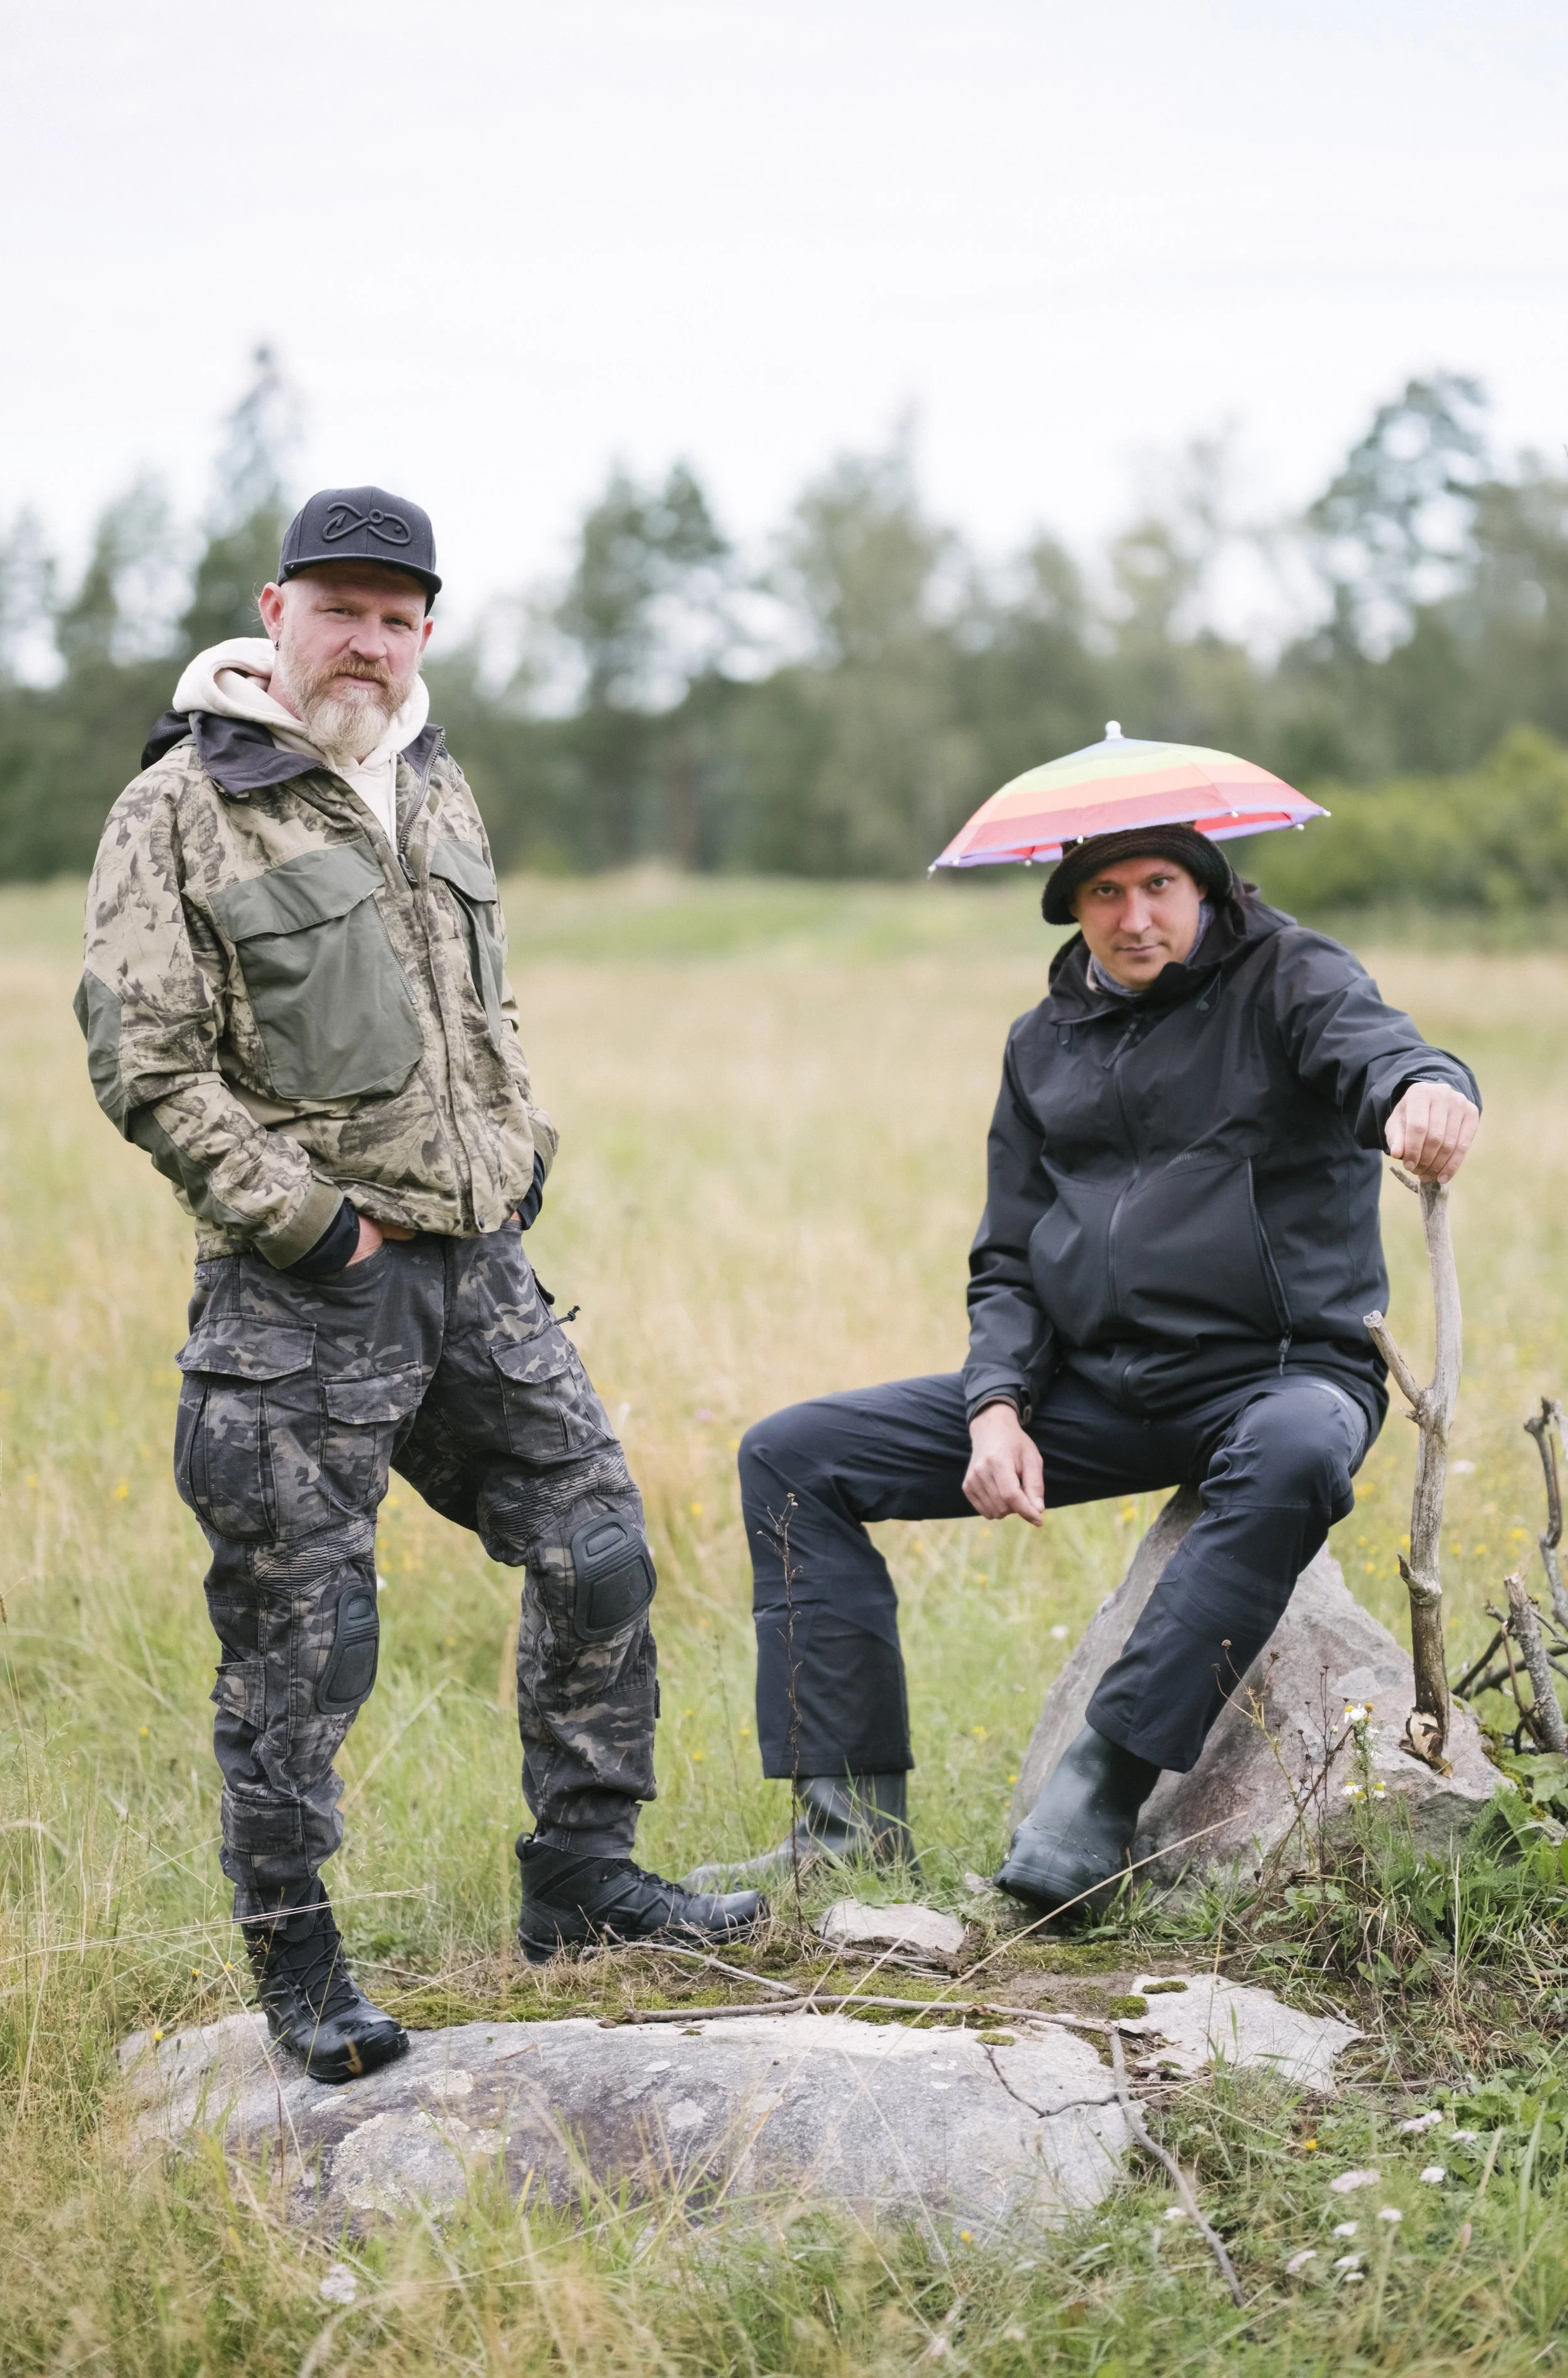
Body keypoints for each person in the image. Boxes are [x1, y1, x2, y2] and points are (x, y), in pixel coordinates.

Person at [76, 486, 761, 2082]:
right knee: (303, 1638)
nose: (367, 642)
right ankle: (300, 1963)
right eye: (339, 609)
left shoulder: (436, 788)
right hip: (302, 1291)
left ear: (425, 632)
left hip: (479, 1267)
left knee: (596, 1547)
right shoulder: (182, 805)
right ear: (275, 613)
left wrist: (520, 1146)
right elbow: (146, 1058)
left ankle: (583, 1880)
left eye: (396, 616)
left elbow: (486, 1012)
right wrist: (307, 1225)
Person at [727, 824, 1481, 1909]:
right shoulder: (1045, 1040)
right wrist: (995, 1406)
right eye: (1107, 892)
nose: (1136, 918)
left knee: (1299, 1449)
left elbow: (1385, 1055)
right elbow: (1009, 1259)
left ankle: (1099, 1792)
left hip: (1280, 1372)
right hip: (1100, 1388)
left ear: (1207, 889)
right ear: (1074, 907)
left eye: (1160, 886)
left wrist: (1425, 1089)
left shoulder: (1290, 977)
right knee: (795, 1456)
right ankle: (844, 1835)